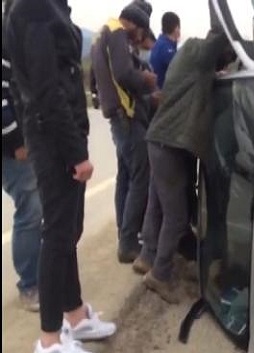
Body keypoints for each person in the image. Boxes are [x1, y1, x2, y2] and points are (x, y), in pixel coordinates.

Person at [6, 0, 116, 353]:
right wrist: (75, 153)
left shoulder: (49, 6)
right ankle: (49, 341)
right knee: (56, 233)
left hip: (55, 136)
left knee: (67, 231)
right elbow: (46, 91)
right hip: (53, 139)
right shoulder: (33, 8)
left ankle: (75, 315)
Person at [132, 29, 236, 303]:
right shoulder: (199, 53)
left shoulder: (187, 59)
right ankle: (160, 275)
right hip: (169, 144)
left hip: (160, 140)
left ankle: (146, 257)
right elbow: (220, 36)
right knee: (176, 216)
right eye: (222, 62)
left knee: (156, 203)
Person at [90, 4, 158, 263]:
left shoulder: (101, 35)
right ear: (134, 24)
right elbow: (123, 73)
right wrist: (146, 81)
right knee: (140, 177)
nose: (139, 38)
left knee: (125, 177)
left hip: (116, 117)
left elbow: (102, 78)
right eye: (140, 31)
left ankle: (124, 233)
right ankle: (129, 242)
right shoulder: (117, 33)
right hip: (127, 117)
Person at [2, 3, 41, 312]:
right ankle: (29, 284)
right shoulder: (6, 37)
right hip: (9, 146)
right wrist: (16, 141)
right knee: (30, 209)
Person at [150, 11, 181, 89]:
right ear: (176, 28)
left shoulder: (159, 44)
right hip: (164, 93)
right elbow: (181, 70)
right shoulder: (167, 49)